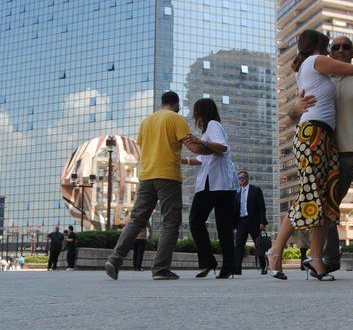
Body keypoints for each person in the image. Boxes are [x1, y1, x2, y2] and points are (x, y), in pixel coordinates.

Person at [268, 28, 353, 281]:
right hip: (313, 135)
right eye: (331, 46)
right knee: (309, 196)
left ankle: (317, 261)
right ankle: (275, 252)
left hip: (324, 138)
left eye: (342, 48)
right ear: (321, 46)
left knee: (322, 201)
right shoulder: (315, 61)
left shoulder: (316, 68)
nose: (335, 51)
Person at [105, 91, 213, 281]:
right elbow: (194, 148)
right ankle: (161, 269)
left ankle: (114, 259)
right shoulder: (176, 119)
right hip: (168, 177)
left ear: (162, 103)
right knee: (171, 221)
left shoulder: (146, 121)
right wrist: (213, 149)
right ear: (176, 104)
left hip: (146, 176)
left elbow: (143, 145)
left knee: (137, 220)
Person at [184, 98, 238, 279]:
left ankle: (208, 261)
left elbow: (222, 148)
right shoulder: (210, 130)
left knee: (196, 221)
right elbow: (201, 159)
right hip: (223, 184)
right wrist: (182, 160)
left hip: (214, 184)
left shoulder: (213, 125)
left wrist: (201, 141)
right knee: (223, 227)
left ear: (202, 113)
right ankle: (227, 267)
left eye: (196, 113)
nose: (195, 118)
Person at [234, 171, 268, 275]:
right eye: (239, 178)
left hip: (254, 221)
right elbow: (234, 209)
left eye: (244, 177)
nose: (242, 179)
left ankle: (263, 267)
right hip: (241, 222)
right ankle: (237, 269)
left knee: (259, 245)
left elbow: (262, 207)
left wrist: (262, 222)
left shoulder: (255, 190)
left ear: (247, 178)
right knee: (238, 245)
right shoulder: (237, 192)